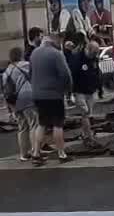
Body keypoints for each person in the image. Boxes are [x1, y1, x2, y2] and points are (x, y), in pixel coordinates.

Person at [28, 34, 74, 163]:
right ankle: (61, 154)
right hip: (54, 95)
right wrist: (68, 90)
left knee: (41, 123)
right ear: (55, 42)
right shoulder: (56, 54)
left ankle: (36, 153)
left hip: (37, 94)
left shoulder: (34, 53)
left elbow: (30, 74)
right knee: (58, 125)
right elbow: (66, 75)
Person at [3, 46, 38, 162]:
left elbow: (6, 90)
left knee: (22, 127)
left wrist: (10, 108)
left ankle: (23, 154)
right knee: (34, 124)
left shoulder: (6, 71)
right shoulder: (26, 65)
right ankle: (35, 151)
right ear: (21, 55)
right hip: (28, 97)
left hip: (14, 101)